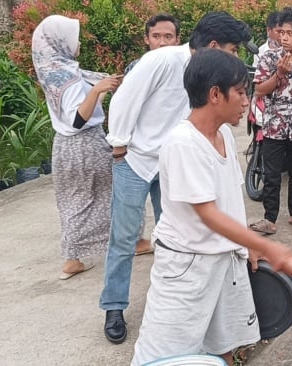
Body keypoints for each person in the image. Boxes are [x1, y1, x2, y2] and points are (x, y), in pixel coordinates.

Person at [131, 47, 292, 366]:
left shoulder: (223, 134)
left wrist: (245, 244)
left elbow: (230, 198)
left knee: (223, 346)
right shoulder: (183, 143)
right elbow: (208, 215)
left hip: (225, 260)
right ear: (215, 94)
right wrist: (264, 245)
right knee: (164, 357)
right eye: (240, 92)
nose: (247, 101)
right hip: (187, 268)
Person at [100, 11, 253, 345]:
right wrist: (119, 144)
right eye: (233, 50)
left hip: (179, 165)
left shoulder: (212, 78)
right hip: (137, 160)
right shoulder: (163, 60)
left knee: (174, 239)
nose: (236, 59)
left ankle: (172, 307)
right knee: (125, 236)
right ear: (214, 46)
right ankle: (114, 306)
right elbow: (125, 98)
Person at [31, 15, 122, 280]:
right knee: (114, 192)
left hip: (64, 148)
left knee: (73, 201)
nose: (78, 42)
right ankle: (131, 242)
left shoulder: (54, 71)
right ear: (61, 41)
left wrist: (101, 88)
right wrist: (98, 91)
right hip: (86, 144)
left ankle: (72, 257)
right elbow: (77, 118)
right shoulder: (68, 78)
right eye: (75, 37)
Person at [249, 6, 292, 235]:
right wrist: (278, 75)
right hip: (273, 128)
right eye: (282, 33)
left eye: (290, 33)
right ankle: (269, 220)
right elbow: (259, 90)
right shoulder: (269, 58)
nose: (284, 37)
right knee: (271, 176)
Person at [124, 14, 182, 256]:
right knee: (128, 218)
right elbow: (126, 110)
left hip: (170, 155)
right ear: (146, 39)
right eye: (156, 36)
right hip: (138, 156)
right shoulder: (135, 69)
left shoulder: (186, 70)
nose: (162, 42)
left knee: (168, 215)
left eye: (168, 36)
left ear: (178, 40)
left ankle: (167, 258)